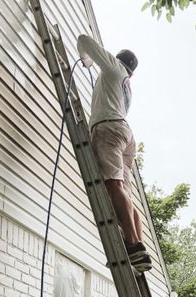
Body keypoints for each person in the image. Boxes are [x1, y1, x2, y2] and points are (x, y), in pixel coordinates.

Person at [76, 34, 152, 272]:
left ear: (119, 60)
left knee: (112, 185)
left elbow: (83, 40)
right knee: (125, 192)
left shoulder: (113, 67)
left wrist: (87, 60)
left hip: (108, 130)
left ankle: (132, 243)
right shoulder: (126, 86)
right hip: (126, 136)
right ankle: (139, 247)